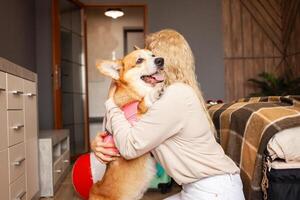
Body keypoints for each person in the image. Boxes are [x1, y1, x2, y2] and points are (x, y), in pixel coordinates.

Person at [91, 29, 245, 200]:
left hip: (214, 191)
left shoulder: (176, 95)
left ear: (167, 61)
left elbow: (129, 146)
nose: (152, 62)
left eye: (154, 56)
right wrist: (100, 143)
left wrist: (111, 103)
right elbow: (125, 126)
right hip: (199, 188)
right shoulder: (164, 96)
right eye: (143, 59)